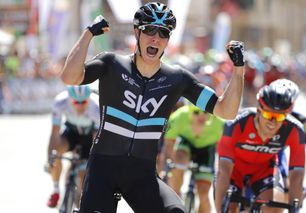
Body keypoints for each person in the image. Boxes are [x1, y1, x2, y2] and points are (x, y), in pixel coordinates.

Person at [60, 2, 245, 212]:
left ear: (167, 40)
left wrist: (238, 70)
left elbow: (226, 111)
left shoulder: (177, 79)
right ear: (136, 32)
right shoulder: (111, 64)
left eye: (163, 33)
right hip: (103, 170)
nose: (155, 38)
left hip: (142, 174)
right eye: (149, 30)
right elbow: (69, 77)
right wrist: (88, 34)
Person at [214, 79, 306, 213]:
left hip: (264, 171)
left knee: (275, 207)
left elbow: (297, 175)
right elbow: (223, 170)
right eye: (268, 115)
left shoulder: (295, 130)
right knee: (229, 208)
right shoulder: (237, 123)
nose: (273, 122)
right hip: (234, 170)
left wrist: (294, 206)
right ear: (258, 110)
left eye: (280, 117)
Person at [162, 104, 224, 213]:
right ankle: (175, 197)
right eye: (196, 112)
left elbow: (225, 151)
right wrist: (166, 169)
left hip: (207, 150)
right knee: (178, 164)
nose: (201, 116)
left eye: (205, 113)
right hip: (186, 145)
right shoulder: (179, 117)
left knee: (204, 194)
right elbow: (168, 146)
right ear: (189, 111)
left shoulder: (219, 123)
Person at [46, 85, 100, 208]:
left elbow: (97, 138)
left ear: (89, 98)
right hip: (71, 132)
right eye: (76, 102)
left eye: (83, 102)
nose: (80, 106)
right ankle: (56, 191)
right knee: (56, 153)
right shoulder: (60, 102)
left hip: (89, 135)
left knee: (83, 175)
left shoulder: (96, 106)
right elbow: (54, 133)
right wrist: (50, 157)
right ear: (70, 99)